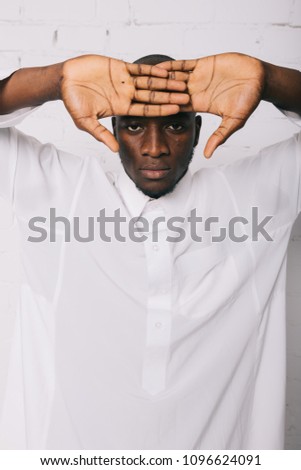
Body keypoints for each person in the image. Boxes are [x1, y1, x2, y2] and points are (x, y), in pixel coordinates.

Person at [0, 51, 300, 450]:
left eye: (175, 126)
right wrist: (55, 80)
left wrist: (268, 79)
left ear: (196, 128)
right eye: (136, 126)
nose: (154, 147)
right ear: (113, 126)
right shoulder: (61, 195)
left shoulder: (251, 198)